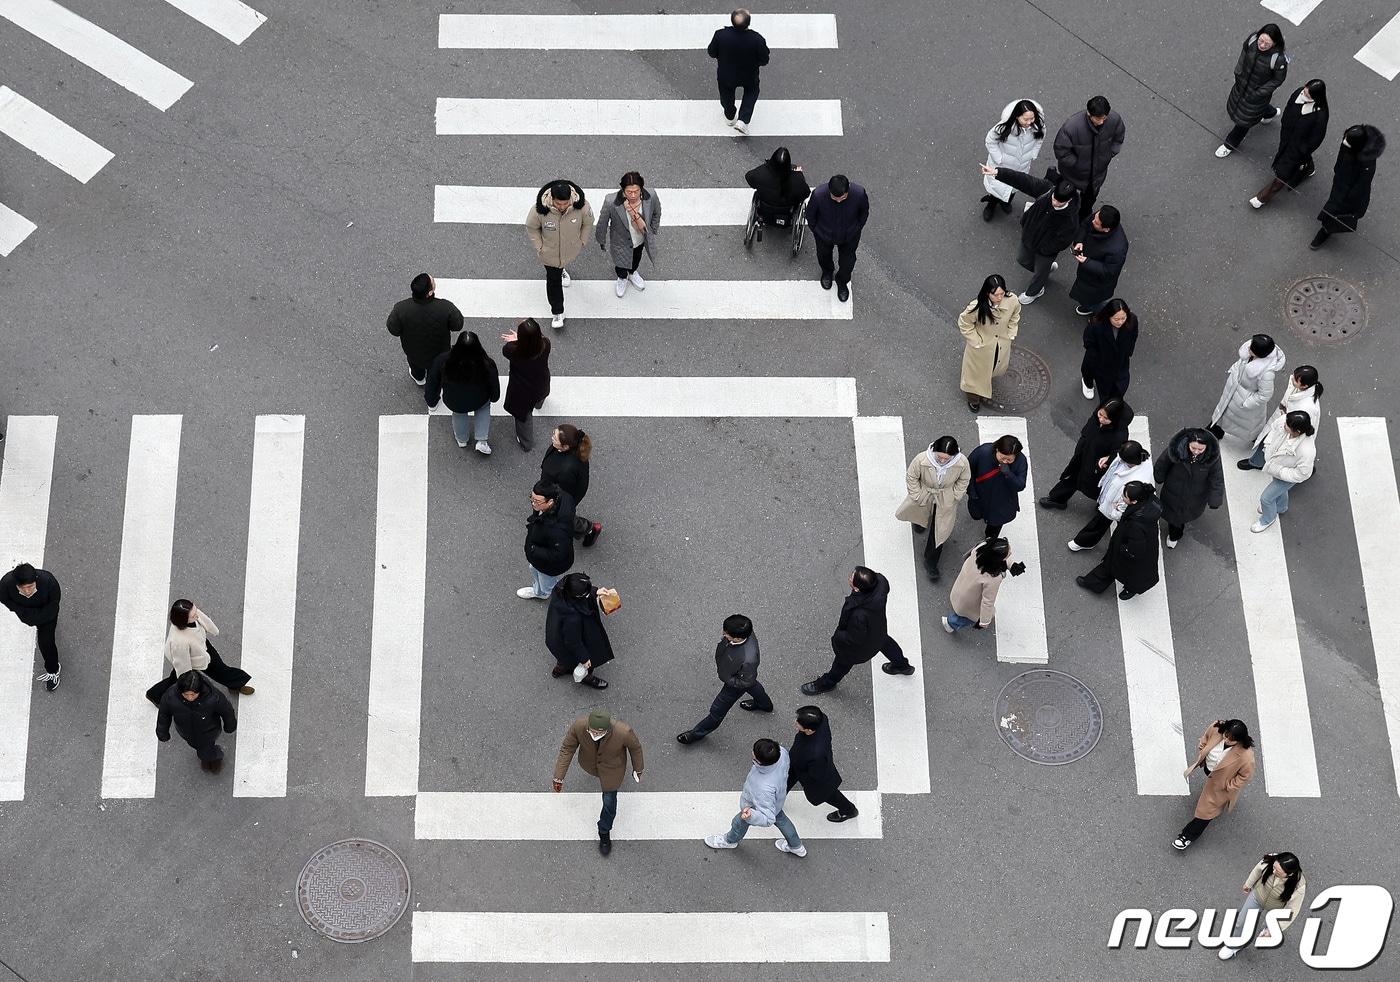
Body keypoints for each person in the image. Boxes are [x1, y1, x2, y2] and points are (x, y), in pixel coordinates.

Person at [800, 567, 914, 695]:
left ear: (857, 589)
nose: (850, 576)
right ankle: (902, 665)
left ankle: (827, 683)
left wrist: (839, 636)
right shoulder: (880, 585)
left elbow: (853, 639)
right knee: (886, 643)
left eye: (852, 577)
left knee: (842, 663)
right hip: (878, 630)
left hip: (862, 646)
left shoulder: (858, 614)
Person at [979, 164, 1079, 304]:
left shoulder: (1070, 219)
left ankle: (1035, 291)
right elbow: (1024, 181)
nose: (1054, 202)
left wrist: (1045, 249)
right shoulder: (1048, 191)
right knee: (1022, 259)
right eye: (1054, 198)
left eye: (1058, 202)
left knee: (1039, 274)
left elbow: (1063, 241)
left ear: (1068, 201)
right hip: (1029, 237)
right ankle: (1046, 269)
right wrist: (997, 172)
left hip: (1045, 250)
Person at [552, 709, 643, 857]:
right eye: (592, 732)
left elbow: (636, 748)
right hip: (590, 764)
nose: (594, 736)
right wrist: (559, 776)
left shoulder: (624, 732)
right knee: (609, 801)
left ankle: (604, 832)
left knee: (609, 804)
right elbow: (567, 748)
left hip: (613, 770)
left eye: (599, 733)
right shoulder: (578, 726)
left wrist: (638, 769)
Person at [677, 614, 773, 745]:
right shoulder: (744, 632)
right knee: (752, 685)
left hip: (734, 683)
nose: (723, 634)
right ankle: (765, 705)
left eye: (727, 634)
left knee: (717, 711)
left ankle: (696, 734)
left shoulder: (748, 659)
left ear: (738, 638)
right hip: (740, 675)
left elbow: (745, 682)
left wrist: (728, 680)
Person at [704, 737, 805, 857]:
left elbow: (768, 818)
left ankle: (729, 840)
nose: (752, 751)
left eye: (754, 753)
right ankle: (796, 846)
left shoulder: (762, 787)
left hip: (754, 805)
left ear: (759, 761)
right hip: (777, 800)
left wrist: (751, 816)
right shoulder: (782, 753)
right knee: (782, 820)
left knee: (739, 822)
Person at [145, 599, 254, 705]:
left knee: (220, 669)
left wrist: (212, 629)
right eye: (193, 616)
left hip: (201, 647)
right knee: (179, 679)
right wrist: (188, 682)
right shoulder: (179, 641)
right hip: (193, 658)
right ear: (183, 619)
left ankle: (155, 695)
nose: (197, 615)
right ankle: (156, 695)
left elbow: (202, 618)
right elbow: (182, 665)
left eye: (196, 610)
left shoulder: (191, 613)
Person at [894, 435, 971, 581]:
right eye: (940, 457)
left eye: (946, 458)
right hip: (925, 493)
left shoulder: (962, 463)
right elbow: (912, 476)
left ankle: (931, 561)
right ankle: (919, 524)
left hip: (946, 498)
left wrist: (955, 495)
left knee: (939, 532)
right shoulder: (921, 459)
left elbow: (964, 479)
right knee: (920, 512)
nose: (942, 461)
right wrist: (916, 495)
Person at [1038, 399, 1134, 511]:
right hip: (1083, 456)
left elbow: (1117, 453)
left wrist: (1108, 459)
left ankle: (1103, 504)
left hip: (1096, 466)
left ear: (1114, 419)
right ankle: (1057, 499)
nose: (1101, 419)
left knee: (1096, 487)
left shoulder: (1119, 435)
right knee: (1072, 478)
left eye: (1106, 418)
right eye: (1100, 414)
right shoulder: (1097, 418)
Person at [1175, 718, 1257, 850]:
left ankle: (1187, 836)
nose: (1226, 740)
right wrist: (1202, 750)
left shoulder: (1246, 756)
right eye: (1226, 735)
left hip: (1220, 786)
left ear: (1240, 740)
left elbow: (1245, 776)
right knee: (1207, 801)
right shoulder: (1216, 727)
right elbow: (1206, 737)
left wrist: (1229, 786)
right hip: (1209, 770)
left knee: (1206, 814)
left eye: (1232, 739)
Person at [1075, 481, 1161, 600]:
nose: (1122, 497)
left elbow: (1136, 547)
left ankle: (1096, 584)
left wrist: (1121, 549)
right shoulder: (1147, 503)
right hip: (1140, 546)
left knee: (1114, 566)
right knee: (1131, 572)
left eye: (1125, 496)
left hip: (1130, 548)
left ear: (1134, 501)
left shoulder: (1136, 525)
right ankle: (1130, 588)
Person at [526, 179, 594, 329]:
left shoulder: (581, 207)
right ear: (552, 199)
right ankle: (557, 311)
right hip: (549, 254)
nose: (562, 207)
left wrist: (582, 240)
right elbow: (531, 227)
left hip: (570, 250)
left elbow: (588, 222)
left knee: (560, 266)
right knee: (553, 280)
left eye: (565, 203)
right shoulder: (539, 210)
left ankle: (562, 269)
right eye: (559, 204)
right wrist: (540, 247)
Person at [1249, 80, 1328, 208]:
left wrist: (1303, 150)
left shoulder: (1320, 114)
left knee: (1284, 172)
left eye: (1307, 95)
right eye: (1304, 91)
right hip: (1287, 137)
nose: (1303, 94)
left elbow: (1316, 138)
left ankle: (1263, 197)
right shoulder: (1298, 93)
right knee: (1290, 158)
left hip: (1298, 147)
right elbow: (1288, 108)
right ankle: (1308, 168)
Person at [1065, 440, 1153, 551]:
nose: (1119, 459)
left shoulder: (1138, 481)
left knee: (1099, 524)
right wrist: (1108, 458)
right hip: (1110, 497)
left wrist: (1115, 513)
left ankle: (1084, 542)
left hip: (1113, 506)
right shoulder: (1136, 457)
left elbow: (1128, 502)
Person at [1215, 25, 1289, 157]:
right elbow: (1243, 55)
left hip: (1257, 93)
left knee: (1244, 121)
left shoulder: (1278, 59)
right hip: (1242, 85)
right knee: (1252, 109)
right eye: (1261, 40)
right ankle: (1270, 113)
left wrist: (1259, 93)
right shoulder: (1252, 40)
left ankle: (1230, 143)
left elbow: (1277, 80)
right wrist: (1238, 74)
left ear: (1275, 43)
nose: (1262, 44)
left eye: (1267, 43)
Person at [1218, 853, 1307, 960]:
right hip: (1258, 896)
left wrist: (1274, 929)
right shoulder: (1272, 859)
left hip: (1277, 907)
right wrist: (1248, 884)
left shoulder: (1299, 886)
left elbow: (1292, 910)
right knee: (1241, 922)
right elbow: (1257, 869)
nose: (1273, 872)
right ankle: (1234, 946)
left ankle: (1266, 930)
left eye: (1278, 871)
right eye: (1274, 867)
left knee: (1269, 926)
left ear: (1290, 874)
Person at [1311, 125, 1386, 249]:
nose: (1344, 142)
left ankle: (1326, 230)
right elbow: (1341, 155)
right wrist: (1338, 170)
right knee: (1334, 205)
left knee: (1338, 211)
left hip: (1350, 192)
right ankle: (1328, 226)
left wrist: (1346, 196)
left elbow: (1361, 184)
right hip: (1342, 181)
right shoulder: (1350, 142)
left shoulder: (1367, 162)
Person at [425, 331, 500, 455]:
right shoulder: (486, 363)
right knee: (483, 409)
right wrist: (494, 397)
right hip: (479, 398)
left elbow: (432, 381)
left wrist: (431, 400)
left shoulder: (443, 360)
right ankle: (482, 440)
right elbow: (494, 384)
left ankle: (462, 440)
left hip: (455, 400)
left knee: (459, 414)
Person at [1052, 96, 1126, 218]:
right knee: (1063, 195)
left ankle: (1083, 217)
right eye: (1098, 118)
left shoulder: (1115, 120)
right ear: (1089, 114)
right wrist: (1077, 164)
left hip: (1096, 175)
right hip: (1072, 174)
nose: (1102, 122)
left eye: (1104, 118)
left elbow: (1118, 138)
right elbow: (1061, 150)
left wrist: (1109, 154)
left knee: (1089, 201)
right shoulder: (1072, 127)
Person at [958, 274, 1021, 413]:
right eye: (996, 295)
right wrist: (976, 341)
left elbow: (1015, 315)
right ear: (988, 293)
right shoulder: (977, 307)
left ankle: (983, 385)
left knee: (994, 368)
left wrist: (1011, 332)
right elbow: (965, 324)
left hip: (1001, 345)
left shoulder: (1012, 301)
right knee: (974, 378)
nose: (1000, 298)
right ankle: (973, 399)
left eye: (1002, 294)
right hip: (980, 350)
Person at [386, 273, 462, 385]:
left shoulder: (400, 309)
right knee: (438, 367)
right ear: (430, 292)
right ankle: (436, 383)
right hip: (439, 349)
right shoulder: (446, 307)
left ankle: (419, 378)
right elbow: (457, 325)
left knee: (415, 364)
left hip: (413, 349)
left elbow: (393, 329)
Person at [1154, 428, 1224, 548]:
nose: (1196, 452)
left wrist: (1215, 499)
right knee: (1173, 516)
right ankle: (1174, 533)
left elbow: (1217, 478)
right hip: (1173, 491)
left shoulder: (1212, 459)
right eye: (1193, 448)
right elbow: (1163, 463)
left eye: (1200, 449)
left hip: (1195, 496)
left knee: (1180, 518)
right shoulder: (1176, 450)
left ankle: (1174, 535)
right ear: (1188, 444)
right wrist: (1158, 476)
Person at [595, 171, 661, 298]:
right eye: (629, 192)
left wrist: (652, 230)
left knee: (636, 258)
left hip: (640, 239)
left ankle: (632, 272)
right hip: (620, 242)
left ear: (641, 188)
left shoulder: (650, 196)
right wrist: (601, 239)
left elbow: (656, 212)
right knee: (620, 264)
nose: (633, 195)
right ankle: (622, 278)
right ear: (623, 190)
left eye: (636, 191)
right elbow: (602, 222)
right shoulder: (611, 201)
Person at [155, 671, 236, 774]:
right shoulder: (170, 697)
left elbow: (226, 710)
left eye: (193, 694)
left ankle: (212, 757)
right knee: (196, 745)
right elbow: (164, 714)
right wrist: (162, 731)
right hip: (186, 732)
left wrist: (230, 725)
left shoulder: (213, 697)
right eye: (186, 694)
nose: (189, 698)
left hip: (208, 731)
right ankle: (208, 756)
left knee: (205, 748)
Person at [804, 175, 869, 303]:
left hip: (849, 236)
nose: (839, 201)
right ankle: (827, 272)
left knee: (848, 263)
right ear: (829, 191)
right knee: (823, 256)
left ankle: (842, 282)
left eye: (843, 198)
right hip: (824, 235)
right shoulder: (818, 195)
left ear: (848, 190)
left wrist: (857, 228)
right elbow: (810, 215)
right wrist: (817, 231)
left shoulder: (859, 194)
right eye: (835, 198)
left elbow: (864, 212)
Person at [1209, 334, 1286, 442]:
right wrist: (1234, 371)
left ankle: (1255, 439)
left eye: (1252, 347)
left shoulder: (1266, 373)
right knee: (1223, 411)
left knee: (1246, 425)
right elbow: (1240, 365)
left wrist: (1246, 403)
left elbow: (1265, 395)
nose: (1248, 347)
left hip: (1244, 404)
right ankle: (1215, 427)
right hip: (1233, 393)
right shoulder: (1250, 355)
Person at [545, 572, 615, 689]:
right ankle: (586, 678)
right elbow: (573, 642)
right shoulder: (573, 618)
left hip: (557, 639)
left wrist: (595, 591)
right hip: (572, 640)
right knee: (586, 663)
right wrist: (584, 658)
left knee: (564, 657)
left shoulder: (560, 588)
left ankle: (561, 668)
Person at [1249, 410, 1316, 533]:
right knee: (1279, 491)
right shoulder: (1286, 421)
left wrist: (1280, 472)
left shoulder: (1307, 451)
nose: (1283, 425)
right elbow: (1274, 428)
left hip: (1285, 475)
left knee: (1266, 499)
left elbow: (1302, 474)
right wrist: (1267, 445)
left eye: (1287, 426)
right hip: (1275, 466)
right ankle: (1280, 507)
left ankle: (1268, 519)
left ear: (1298, 432)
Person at [0, 562, 63, 691]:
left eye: (30, 586)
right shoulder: (5, 585)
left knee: (46, 643)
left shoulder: (49, 582)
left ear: (36, 581)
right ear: (16, 585)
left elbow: (53, 606)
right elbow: (6, 601)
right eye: (23, 588)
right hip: (26, 612)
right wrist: (25, 614)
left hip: (47, 616)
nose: (27, 591)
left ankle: (53, 670)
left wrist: (33, 618)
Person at [788, 706, 858, 822]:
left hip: (809, 771)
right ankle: (775, 800)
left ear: (809, 730)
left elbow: (816, 775)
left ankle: (848, 810)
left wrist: (801, 772)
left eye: (799, 723)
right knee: (786, 781)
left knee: (828, 794)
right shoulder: (821, 720)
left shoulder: (816, 754)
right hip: (800, 764)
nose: (795, 722)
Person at [1241, 365, 1323, 462]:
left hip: (1286, 429)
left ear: (1304, 386)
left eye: (1296, 379)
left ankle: (1256, 462)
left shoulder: (1308, 407)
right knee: (1267, 442)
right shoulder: (1301, 390)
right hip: (1284, 423)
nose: (1292, 378)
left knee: (1268, 445)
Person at [707, 9, 769, 134]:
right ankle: (743, 120)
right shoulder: (757, 39)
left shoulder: (720, 35)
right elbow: (764, 60)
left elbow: (711, 52)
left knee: (726, 94)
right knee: (752, 92)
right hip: (749, 75)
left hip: (726, 75)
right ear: (748, 23)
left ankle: (730, 116)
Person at [980, 99, 1045, 221]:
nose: (1030, 122)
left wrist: (1033, 153)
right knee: (997, 189)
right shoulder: (1003, 128)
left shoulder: (1038, 126)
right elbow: (990, 140)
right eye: (1026, 119)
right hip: (1001, 166)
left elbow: (1040, 138)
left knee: (1014, 188)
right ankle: (991, 205)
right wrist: (999, 158)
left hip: (1022, 166)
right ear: (1016, 116)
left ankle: (1005, 202)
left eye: (1032, 118)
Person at [942, 537, 1021, 633]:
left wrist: (1011, 564)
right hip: (969, 601)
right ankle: (950, 623)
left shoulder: (981, 549)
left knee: (961, 609)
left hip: (961, 588)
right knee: (970, 617)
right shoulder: (993, 579)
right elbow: (987, 602)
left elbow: (997, 555)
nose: (1010, 552)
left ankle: (954, 618)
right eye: (1008, 553)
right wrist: (984, 622)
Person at [541, 424, 602, 546]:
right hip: (551, 491)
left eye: (555, 437)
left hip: (560, 498)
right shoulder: (560, 448)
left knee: (563, 518)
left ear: (565, 446)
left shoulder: (567, 469)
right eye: (554, 433)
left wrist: (550, 502)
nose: (552, 437)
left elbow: (564, 494)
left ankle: (589, 529)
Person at [500, 317, 551, 452]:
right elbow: (535, 340)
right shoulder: (545, 344)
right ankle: (539, 405)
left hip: (523, 391)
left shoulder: (513, 351)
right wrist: (522, 339)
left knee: (524, 416)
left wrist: (516, 340)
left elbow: (506, 349)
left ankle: (526, 443)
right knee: (540, 397)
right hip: (542, 382)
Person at [1068, 206, 1128, 317]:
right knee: (1086, 296)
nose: (1092, 221)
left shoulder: (1117, 249)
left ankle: (1105, 314)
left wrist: (1087, 262)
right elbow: (1085, 225)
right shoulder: (1101, 217)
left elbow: (1109, 271)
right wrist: (1080, 241)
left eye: (1096, 223)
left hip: (1097, 282)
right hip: (1088, 275)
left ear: (1106, 229)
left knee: (1092, 301)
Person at [519, 481, 574, 601]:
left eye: (537, 501)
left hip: (549, 565)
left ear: (550, 501)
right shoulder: (563, 498)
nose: (533, 503)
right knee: (534, 569)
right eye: (532, 498)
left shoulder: (557, 529)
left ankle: (542, 593)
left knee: (545, 581)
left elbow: (558, 554)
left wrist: (533, 550)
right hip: (542, 555)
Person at [965, 435, 1028, 538]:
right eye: (1002, 458)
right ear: (997, 449)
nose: (1004, 462)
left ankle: (989, 540)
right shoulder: (983, 452)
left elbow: (1020, 485)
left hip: (1002, 502)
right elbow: (968, 470)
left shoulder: (1021, 461)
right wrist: (971, 491)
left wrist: (1009, 474)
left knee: (994, 529)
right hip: (980, 495)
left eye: (1009, 460)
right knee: (976, 515)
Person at [1079, 299, 1137, 402]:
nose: (1120, 322)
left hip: (1120, 358)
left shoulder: (1132, 320)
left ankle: (1108, 403)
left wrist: (1128, 352)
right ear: (1108, 316)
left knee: (1119, 384)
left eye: (1123, 318)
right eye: (1116, 319)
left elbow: (1133, 336)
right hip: (1099, 358)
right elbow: (1088, 341)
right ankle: (1088, 383)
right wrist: (1096, 356)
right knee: (1089, 372)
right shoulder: (1097, 324)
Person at [745, 146, 810, 214]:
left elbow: (749, 178)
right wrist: (798, 173)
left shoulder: (760, 173)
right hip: (787, 212)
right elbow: (805, 193)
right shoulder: (796, 179)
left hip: (765, 208)